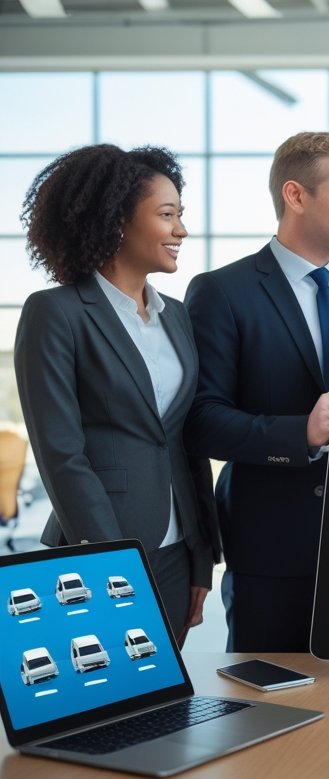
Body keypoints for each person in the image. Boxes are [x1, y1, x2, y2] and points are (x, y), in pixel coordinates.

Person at [184, 132, 329, 652]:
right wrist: (301, 432)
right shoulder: (222, 291)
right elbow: (202, 420)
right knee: (271, 692)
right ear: (296, 195)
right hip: (273, 551)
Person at [15, 144, 220, 644]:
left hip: (177, 552)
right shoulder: (55, 313)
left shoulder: (176, 315)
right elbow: (60, 454)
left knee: (170, 687)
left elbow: (183, 440)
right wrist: (111, 561)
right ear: (118, 221)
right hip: (102, 553)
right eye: (167, 215)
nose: (181, 230)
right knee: (107, 683)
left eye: (181, 215)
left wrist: (201, 556)